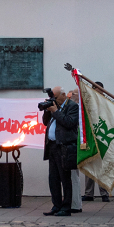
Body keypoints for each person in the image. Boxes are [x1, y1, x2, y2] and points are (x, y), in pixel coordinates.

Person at [42, 87, 79, 217]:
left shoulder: (72, 106)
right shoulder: (54, 106)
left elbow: (69, 123)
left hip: (64, 147)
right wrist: (48, 110)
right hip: (52, 146)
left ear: (63, 95)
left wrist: (56, 111)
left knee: (65, 179)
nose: (54, 100)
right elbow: (45, 122)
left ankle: (66, 207)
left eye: (56, 98)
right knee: (53, 179)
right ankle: (56, 205)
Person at [82, 82, 110, 204]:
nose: (99, 92)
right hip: (90, 137)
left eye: (101, 90)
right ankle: (89, 193)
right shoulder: (88, 102)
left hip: (102, 137)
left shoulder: (106, 102)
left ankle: (104, 193)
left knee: (102, 167)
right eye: (97, 90)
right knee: (89, 165)